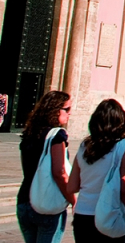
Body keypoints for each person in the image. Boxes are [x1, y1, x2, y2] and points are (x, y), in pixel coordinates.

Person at [67, 99, 125, 242]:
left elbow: (72, 186)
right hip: (110, 215)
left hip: (83, 214)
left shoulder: (85, 146)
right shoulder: (124, 146)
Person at [17, 91, 75, 243]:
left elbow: (27, 169)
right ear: (56, 110)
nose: (70, 114)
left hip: (24, 200)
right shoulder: (57, 135)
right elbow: (59, 172)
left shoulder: (30, 133)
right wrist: (73, 200)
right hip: (46, 205)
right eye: (67, 109)